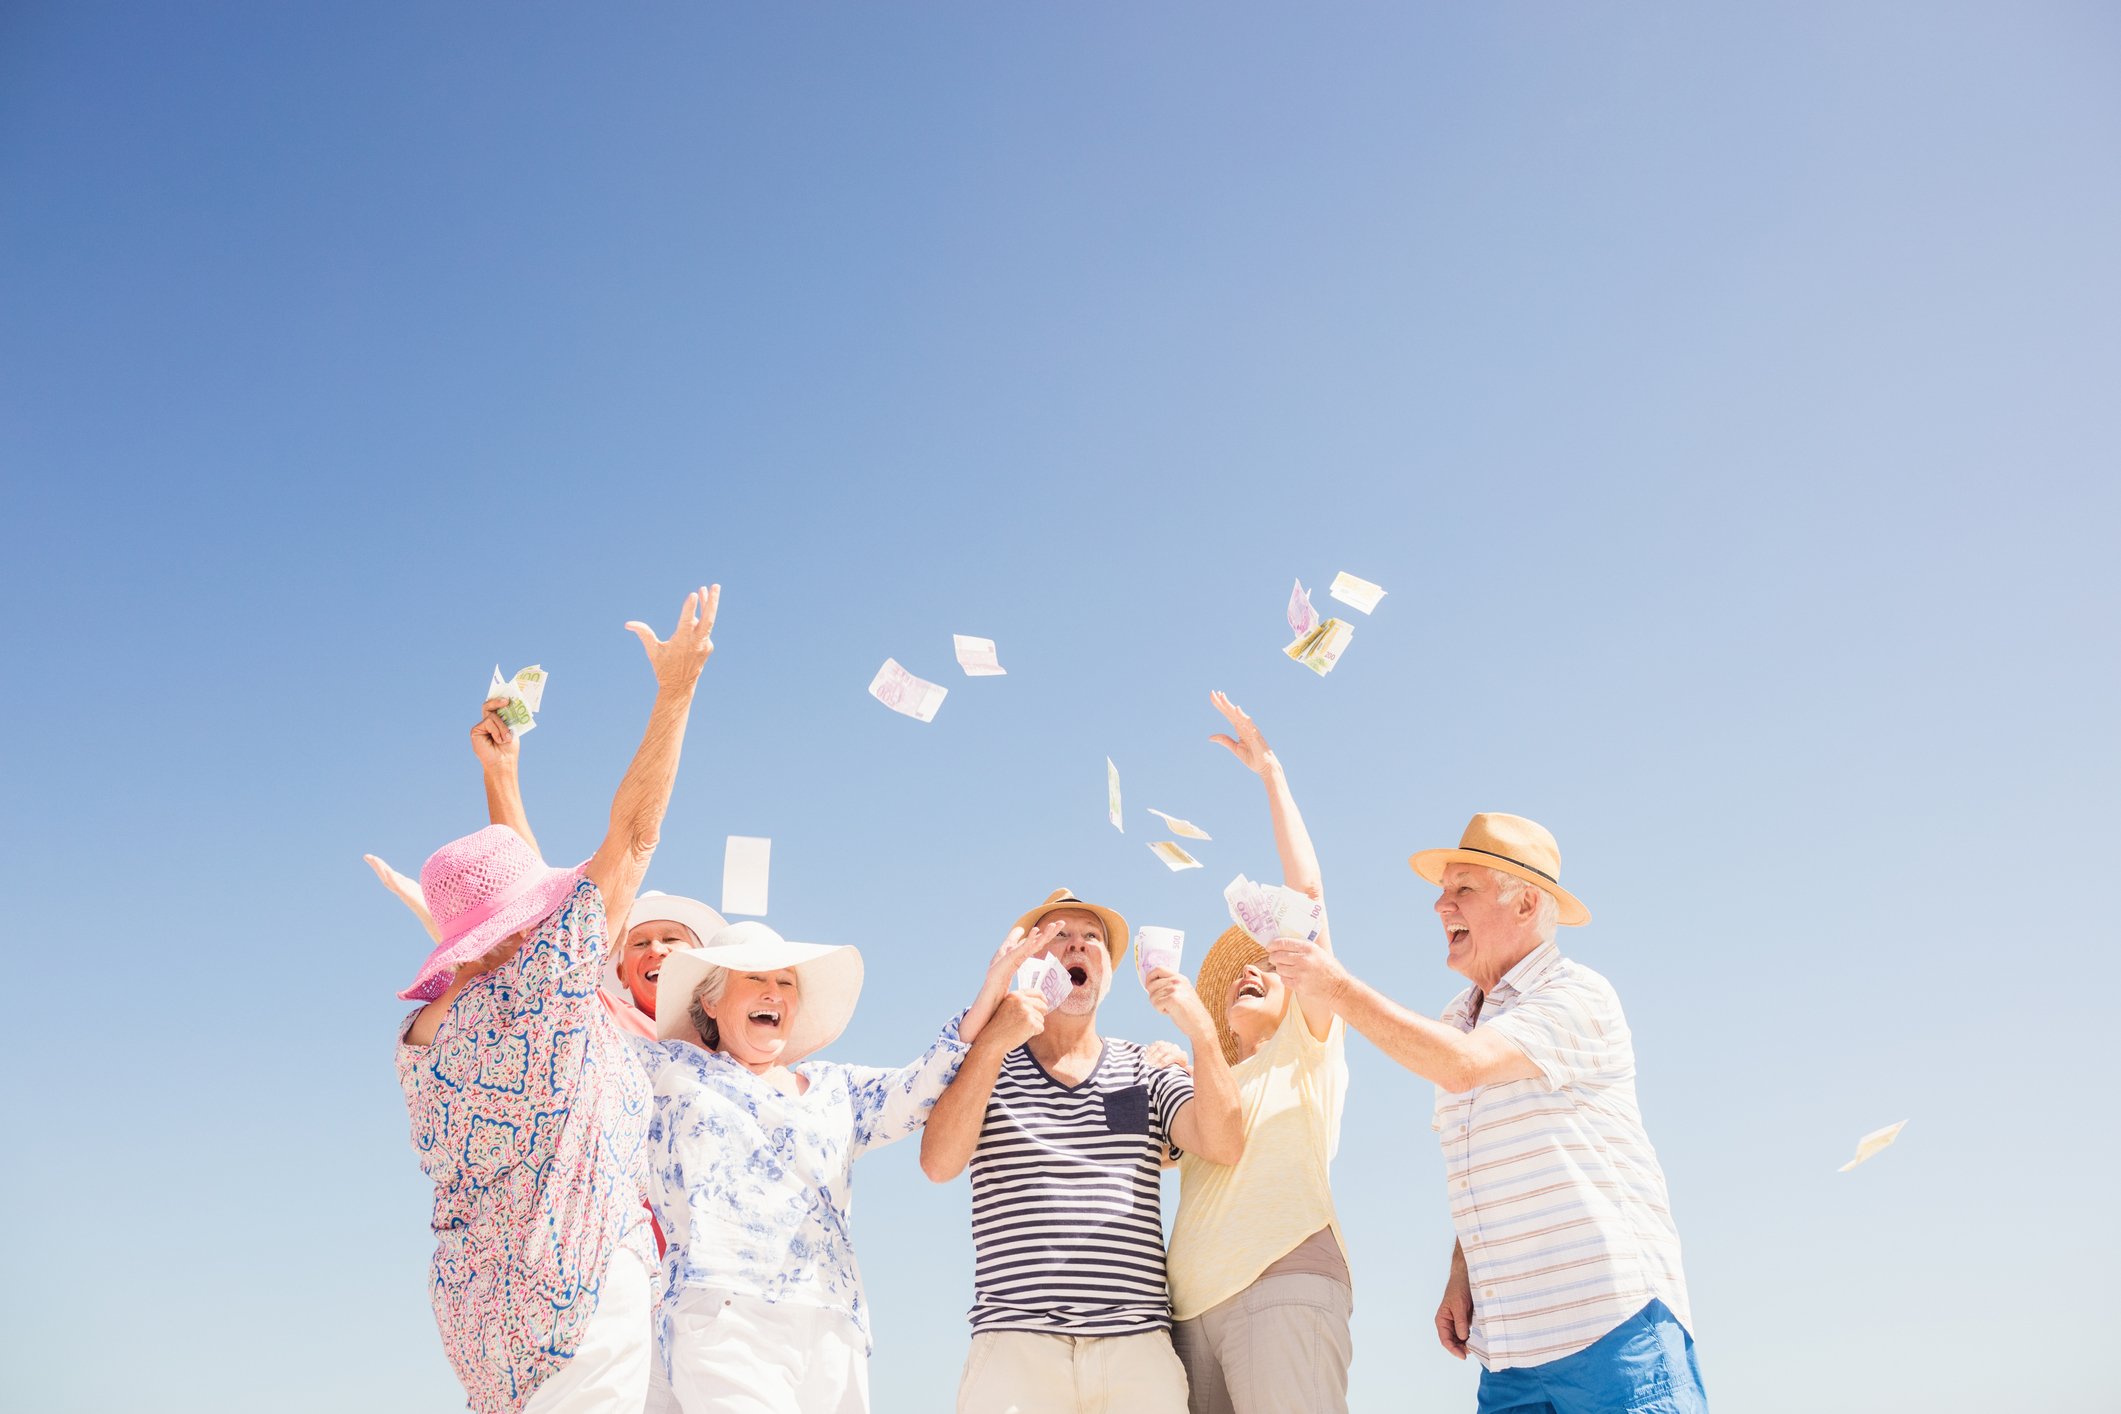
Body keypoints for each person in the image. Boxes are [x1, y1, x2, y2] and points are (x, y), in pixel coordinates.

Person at [394, 584, 720, 1414]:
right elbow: (635, 835)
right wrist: (675, 692)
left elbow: (524, 937)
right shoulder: (542, 995)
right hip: (575, 1292)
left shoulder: (422, 1039)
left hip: (477, 1320)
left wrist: (501, 777)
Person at [1268, 813, 1706, 1414]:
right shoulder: (1458, 1016)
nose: (1440, 906)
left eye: (1462, 889)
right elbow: (1483, 1159)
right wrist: (1461, 1267)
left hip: (1613, 1327)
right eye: (1443, 891)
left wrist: (1337, 989)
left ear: (1527, 904)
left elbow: (1464, 1066)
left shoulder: (1576, 994)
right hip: (1511, 1349)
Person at [642, 918, 1035, 1414]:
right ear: (711, 1002)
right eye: (755, 978)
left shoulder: (836, 1088)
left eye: (786, 982)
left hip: (832, 1317)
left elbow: (922, 1083)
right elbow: (568, 1031)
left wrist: (990, 992)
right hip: (723, 1310)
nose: (774, 992)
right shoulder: (668, 1072)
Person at [922, 888, 1245, 1414]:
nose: (1077, 946)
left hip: (1136, 1350)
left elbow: (1225, 1142)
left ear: (1108, 970)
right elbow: (938, 1163)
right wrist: (993, 1043)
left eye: (1090, 938)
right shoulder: (990, 1064)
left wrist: (1202, 1032)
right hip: (1014, 1345)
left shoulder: (1144, 1069)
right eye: (1059, 937)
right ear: (1029, 963)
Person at [1165, 692, 1354, 1413]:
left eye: (1270, 968)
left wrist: (1269, 771)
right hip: (1187, 1315)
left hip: (1281, 1282)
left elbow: (1307, 898)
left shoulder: (1309, 1048)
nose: (1252, 970)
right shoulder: (1203, 1081)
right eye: (1243, 970)